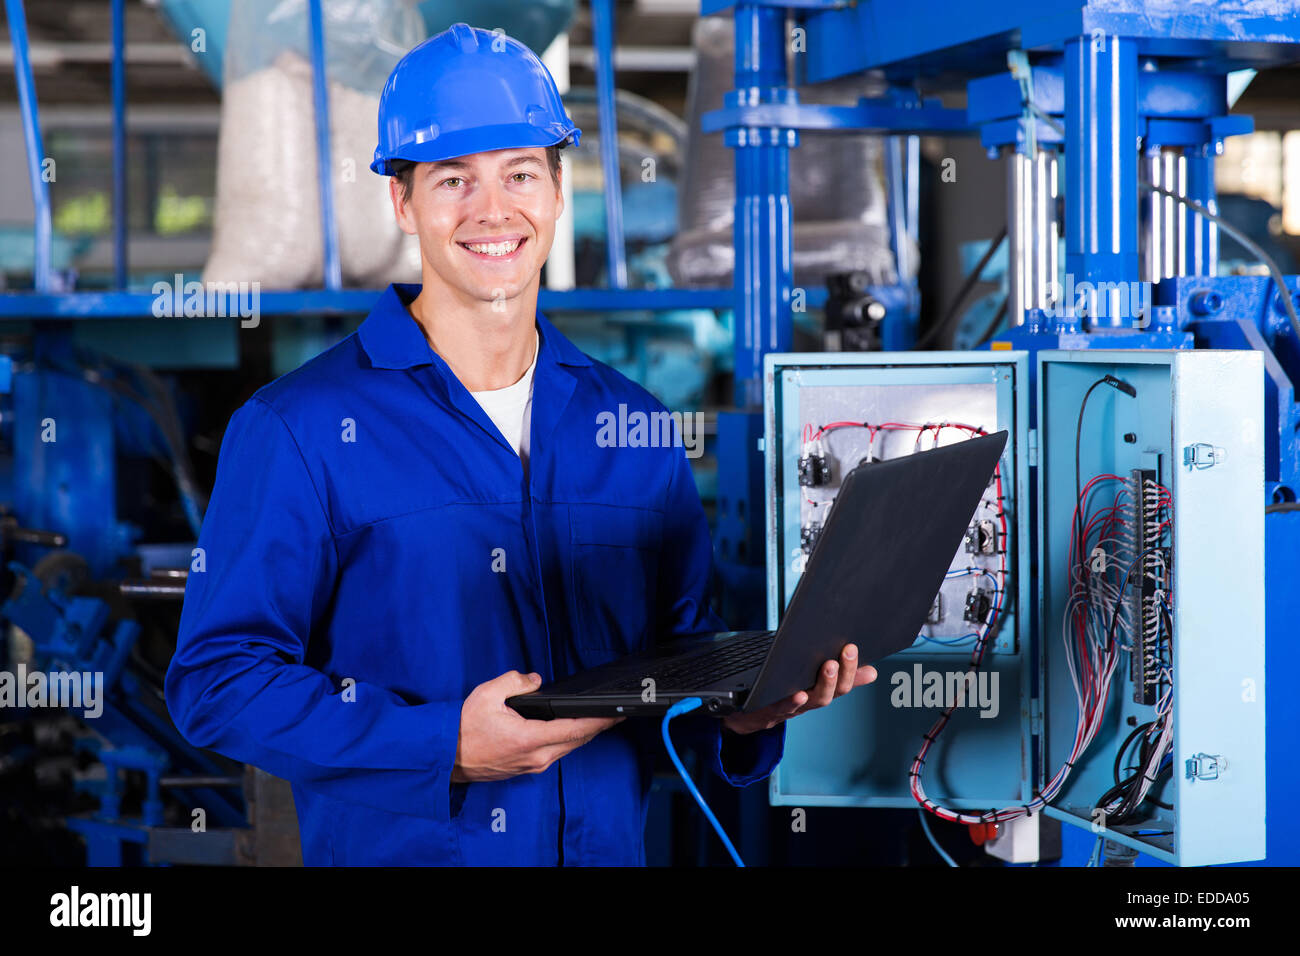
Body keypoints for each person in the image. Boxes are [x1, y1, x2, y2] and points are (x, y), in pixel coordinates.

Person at [165, 22, 876, 866]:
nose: (492, 211)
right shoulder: (300, 427)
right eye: (454, 179)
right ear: (402, 200)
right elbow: (217, 682)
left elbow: (677, 656)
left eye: (520, 174)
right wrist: (443, 744)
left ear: (557, 189)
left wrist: (742, 709)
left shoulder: (633, 423)